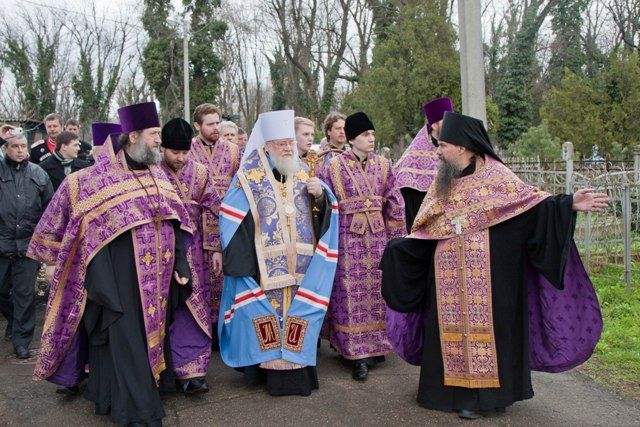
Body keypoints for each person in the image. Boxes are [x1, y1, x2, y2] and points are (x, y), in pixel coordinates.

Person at [381, 111, 607, 420]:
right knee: (447, 333)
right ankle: (449, 393)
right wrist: (401, 249)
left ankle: (488, 398)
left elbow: (530, 207)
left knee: (491, 334)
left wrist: (567, 204)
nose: (438, 151)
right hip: (446, 279)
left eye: (443, 145)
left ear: (463, 146)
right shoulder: (442, 181)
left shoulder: (498, 177)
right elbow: (427, 227)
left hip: (492, 277)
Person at [27, 101, 193, 426]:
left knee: (150, 339)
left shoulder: (158, 175)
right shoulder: (97, 179)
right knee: (125, 340)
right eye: (154, 133)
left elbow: (177, 222)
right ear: (133, 136)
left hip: (158, 279)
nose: (159, 140)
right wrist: (58, 263)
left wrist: (181, 266)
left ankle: (114, 396)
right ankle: (138, 411)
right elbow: (71, 227)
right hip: (119, 279)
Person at [219, 110, 339, 396]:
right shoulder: (248, 177)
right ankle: (265, 375)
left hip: (302, 267)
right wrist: (245, 265)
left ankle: (298, 375)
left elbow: (322, 214)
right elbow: (231, 218)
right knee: (266, 320)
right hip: (264, 268)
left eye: (290, 143)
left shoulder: (303, 172)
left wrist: (320, 196)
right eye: (282, 143)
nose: (288, 148)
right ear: (267, 145)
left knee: (299, 316)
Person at [318, 112, 406, 381]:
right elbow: (323, 204)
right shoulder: (333, 166)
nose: (371, 139)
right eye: (366, 135)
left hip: (378, 240)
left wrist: (397, 241)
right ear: (353, 138)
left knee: (377, 292)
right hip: (347, 240)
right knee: (350, 293)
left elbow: (395, 202)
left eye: (373, 134)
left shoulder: (384, 165)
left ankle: (377, 345)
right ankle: (355, 353)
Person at [160, 118, 222, 394]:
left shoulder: (200, 172)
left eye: (185, 152)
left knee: (194, 307)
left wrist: (215, 248)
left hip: (195, 251)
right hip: (161, 250)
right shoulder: (152, 172)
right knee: (165, 309)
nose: (181, 158)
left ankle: (194, 373)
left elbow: (214, 210)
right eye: (175, 152)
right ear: (162, 148)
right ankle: (164, 370)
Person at [0, 130, 53, 359]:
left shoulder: (38, 174)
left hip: (27, 245)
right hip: (2, 244)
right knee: (2, 292)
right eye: (15, 146)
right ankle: (13, 321)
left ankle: (22, 340)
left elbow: (50, 208)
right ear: (5, 148)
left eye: (23, 146)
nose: (20, 150)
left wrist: (44, 238)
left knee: (24, 295)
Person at [190, 103, 241, 337]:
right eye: (210, 124)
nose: (216, 128)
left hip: (226, 224)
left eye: (218, 122)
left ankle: (225, 329)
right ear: (197, 125)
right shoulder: (188, 150)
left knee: (226, 279)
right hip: (198, 226)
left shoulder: (233, 151)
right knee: (201, 279)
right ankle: (204, 331)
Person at [394, 97, 453, 232]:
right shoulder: (414, 156)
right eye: (447, 120)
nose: (452, 124)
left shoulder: (455, 148)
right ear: (435, 125)